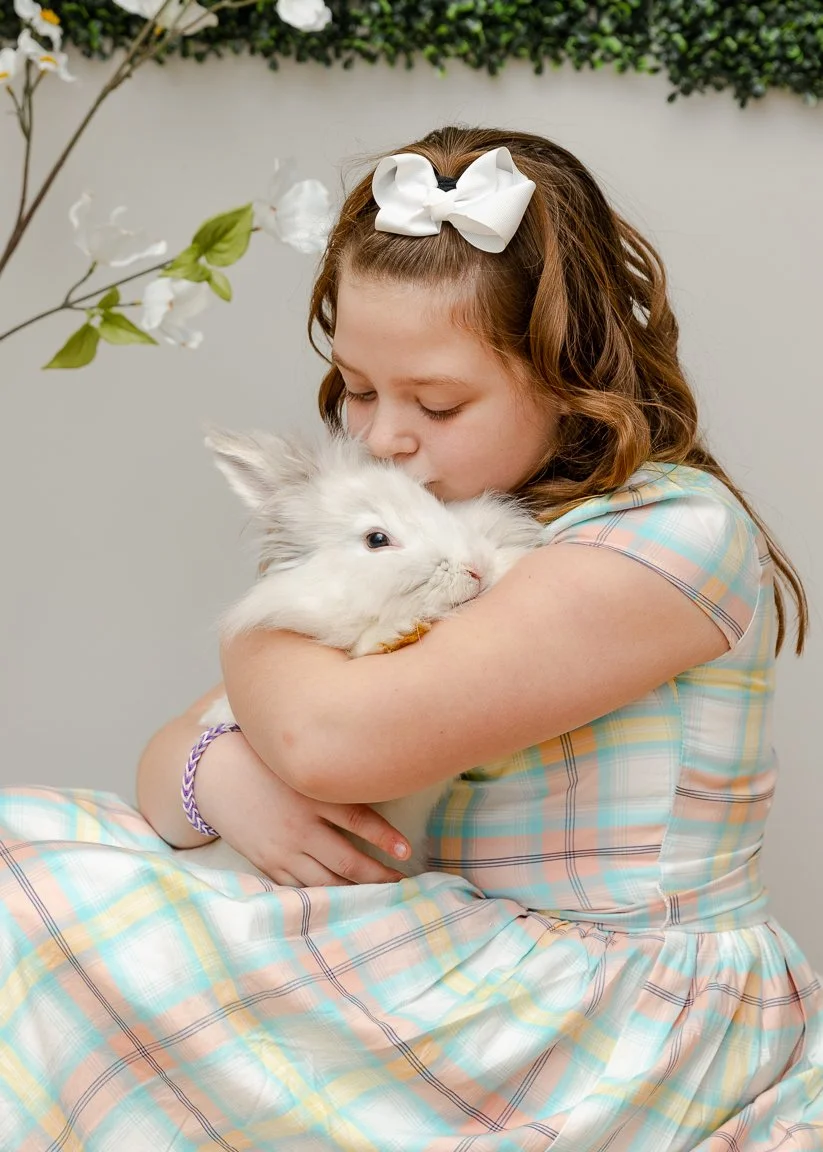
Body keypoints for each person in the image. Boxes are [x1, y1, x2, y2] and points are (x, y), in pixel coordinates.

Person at [2, 126, 821, 1150]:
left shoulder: (667, 536)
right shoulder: (419, 518)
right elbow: (171, 758)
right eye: (355, 387)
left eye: (435, 401)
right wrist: (219, 778)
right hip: (456, 956)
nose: (384, 434)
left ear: (567, 373)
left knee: (38, 904)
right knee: (25, 850)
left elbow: (325, 740)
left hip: (607, 1013)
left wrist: (255, 645)